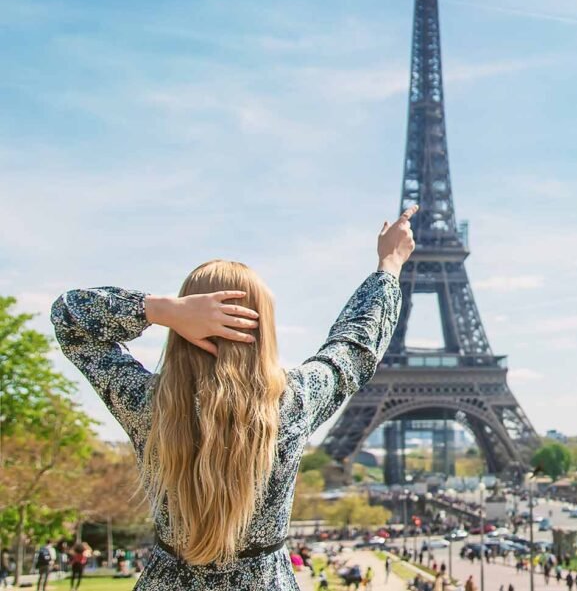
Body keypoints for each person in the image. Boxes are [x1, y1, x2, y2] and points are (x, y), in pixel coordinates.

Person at [52, 209, 417, 590]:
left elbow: (69, 319)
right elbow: (354, 347)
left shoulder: (147, 404)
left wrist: (162, 311)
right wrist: (389, 265)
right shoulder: (294, 403)